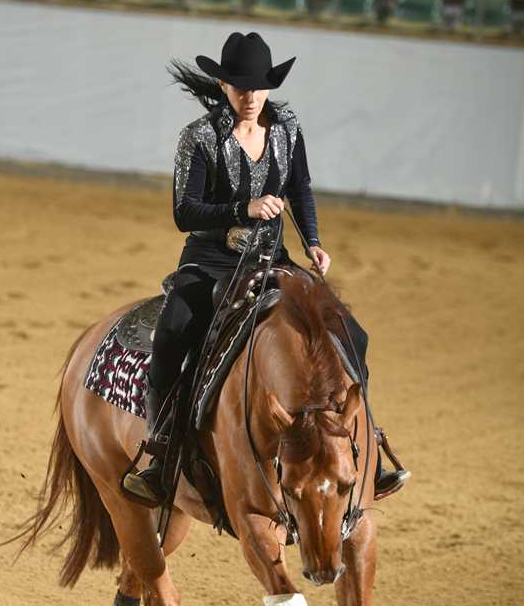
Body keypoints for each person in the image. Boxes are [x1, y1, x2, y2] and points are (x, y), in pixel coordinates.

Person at [123, 31, 409, 506]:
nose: (250, 97)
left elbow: (300, 189)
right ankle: (161, 451)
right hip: (210, 261)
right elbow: (184, 213)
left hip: (272, 259)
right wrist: (244, 208)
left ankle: (370, 446)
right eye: (240, 88)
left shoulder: (287, 128)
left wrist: (313, 242)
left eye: (258, 87)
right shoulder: (198, 137)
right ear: (223, 86)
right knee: (172, 335)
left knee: (352, 334)